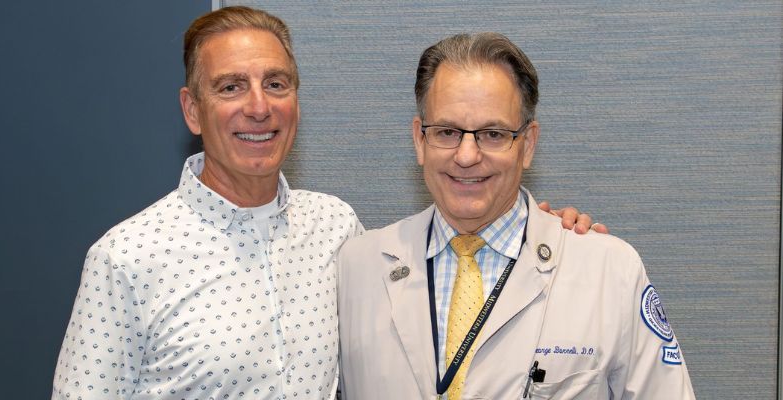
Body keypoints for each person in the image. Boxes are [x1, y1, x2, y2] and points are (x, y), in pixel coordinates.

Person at [52, 7, 603, 400]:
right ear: (192, 111)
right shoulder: (125, 259)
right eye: (229, 87)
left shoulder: (338, 230)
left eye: (276, 83)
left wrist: (541, 230)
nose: (258, 107)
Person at [337, 32, 695, 399]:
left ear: (528, 144)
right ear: (419, 139)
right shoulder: (354, 268)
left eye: (493, 134)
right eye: (447, 131)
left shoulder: (610, 270)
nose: (466, 156)